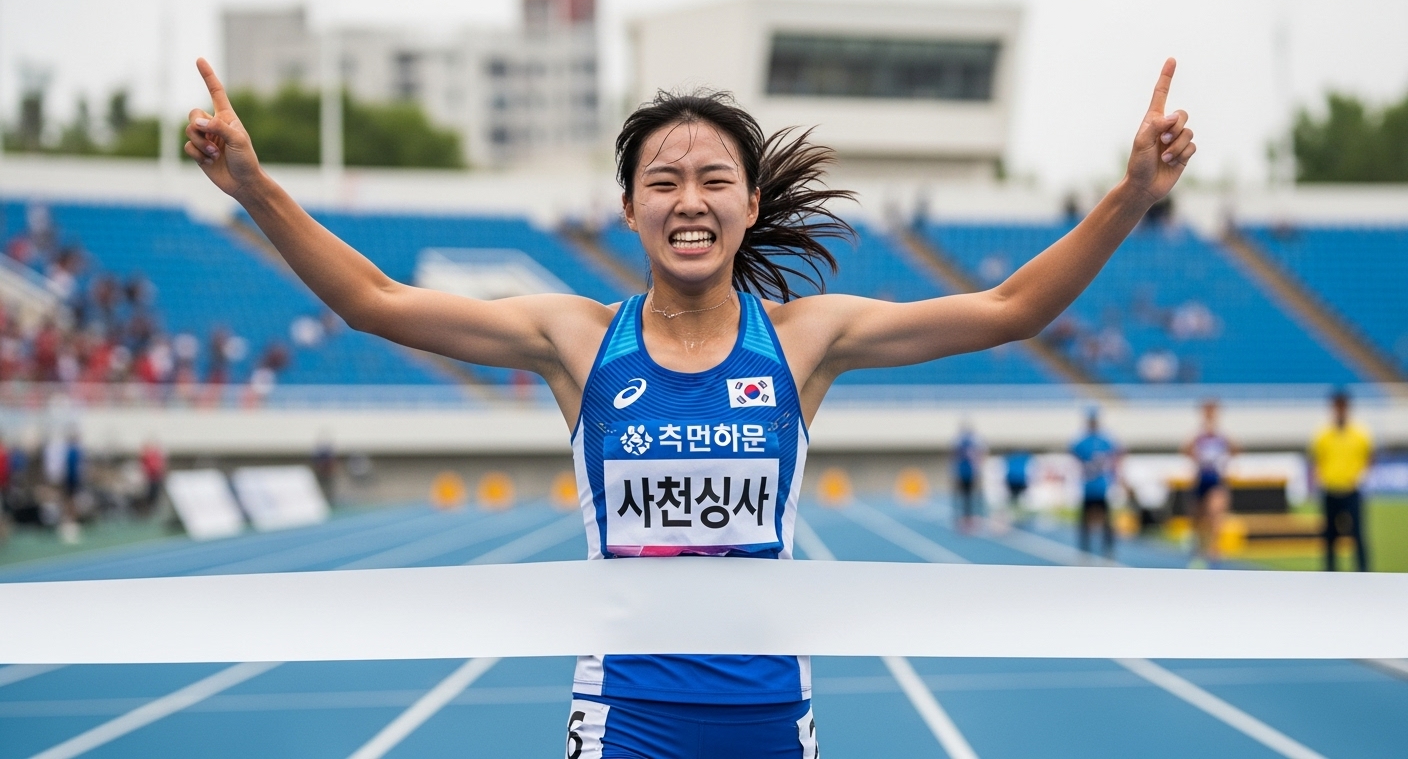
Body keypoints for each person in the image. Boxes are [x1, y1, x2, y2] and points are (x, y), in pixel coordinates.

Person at [184, 54, 1194, 758]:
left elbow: (1012, 310)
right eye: (662, 182)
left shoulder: (805, 340)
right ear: (629, 209)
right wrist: (255, 188)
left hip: (770, 717)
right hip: (625, 719)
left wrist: (1131, 195)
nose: (689, 200)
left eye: (714, 179)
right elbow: (374, 302)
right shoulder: (577, 340)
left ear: (750, 205)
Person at [1309, 391, 1373, 572]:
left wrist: (1362, 476)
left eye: (1342, 407)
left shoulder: (1360, 434)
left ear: (1347, 408)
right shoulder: (1323, 435)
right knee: (1329, 536)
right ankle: (1330, 572)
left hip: (1351, 491)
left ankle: (1363, 571)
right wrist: (1318, 479)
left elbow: (1369, 457)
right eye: (1337, 407)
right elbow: (1317, 460)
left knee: (1358, 534)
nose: (1340, 411)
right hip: (1330, 490)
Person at [1182, 399, 1237, 567]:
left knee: (1216, 512)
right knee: (1198, 517)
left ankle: (1214, 547)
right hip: (1201, 478)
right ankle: (1199, 546)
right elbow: (1185, 450)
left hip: (1216, 479)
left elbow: (1236, 450)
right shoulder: (1198, 434)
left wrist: (1224, 461)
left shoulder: (1221, 435)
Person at [1071, 409, 1121, 557]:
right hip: (1088, 485)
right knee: (1085, 519)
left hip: (1101, 485)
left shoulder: (1105, 440)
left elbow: (1116, 456)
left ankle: (1108, 547)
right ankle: (1084, 548)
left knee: (1106, 519)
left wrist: (1114, 476)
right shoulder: (1082, 441)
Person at [952, 423, 985, 531]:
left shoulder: (959, 441)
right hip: (968, 472)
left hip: (964, 472)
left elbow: (955, 457)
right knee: (970, 496)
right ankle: (969, 518)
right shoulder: (972, 441)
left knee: (965, 496)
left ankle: (966, 518)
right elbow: (978, 456)